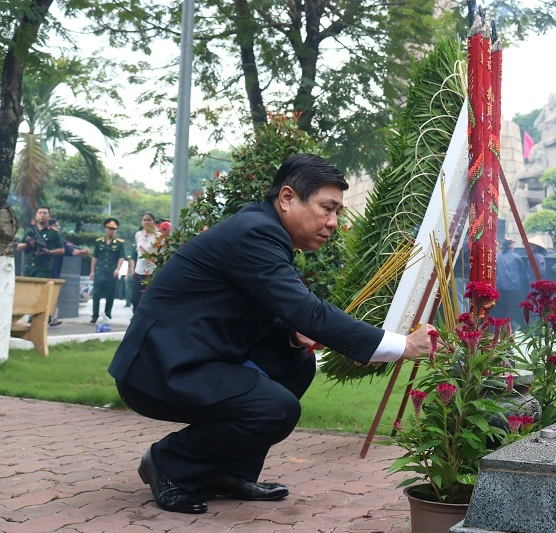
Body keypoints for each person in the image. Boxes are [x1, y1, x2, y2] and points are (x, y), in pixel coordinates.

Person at [108, 154, 437, 514]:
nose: (333, 223)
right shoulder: (256, 232)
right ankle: (167, 461)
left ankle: (225, 472)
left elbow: (251, 312)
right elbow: (308, 311)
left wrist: (293, 337)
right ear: (287, 198)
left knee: (296, 363)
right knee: (276, 409)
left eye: (337, 212)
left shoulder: (263, 230)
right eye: (327, 208)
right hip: (158, 370)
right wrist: (402, 345)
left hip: (195, 357)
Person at [16, 206, 65, 325]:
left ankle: (38, 316)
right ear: (36, 216)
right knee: (29, 292)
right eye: (40, 213)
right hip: (29, 266)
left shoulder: (53, 233)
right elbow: (19, 247)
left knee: (41, 293)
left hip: (44, 266)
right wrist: (28, 244)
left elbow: (61, 250)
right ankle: (31, 314)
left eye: (45, 213)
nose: (42, 215)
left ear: (49, 217)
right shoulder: (30, 231)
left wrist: (49, 251)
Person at [48, 219, 89, 326]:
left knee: (53, 295)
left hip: (54, 272)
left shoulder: (60, 241)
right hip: (40, 271)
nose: (58, 228)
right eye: (56, 226)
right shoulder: (41, 237)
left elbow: (71, 251)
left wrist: (81, 251)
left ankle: (52, 317)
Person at [90, 218, 126, 324]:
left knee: (110, 295)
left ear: (116, 230)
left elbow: (121, 257)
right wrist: (92, 271)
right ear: (105, 229)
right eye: (109, 228)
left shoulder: (119, 243)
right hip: (100, 272)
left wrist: (117, 269)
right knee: (96, 294)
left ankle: (107, 314)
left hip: (111, 273)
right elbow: (95, 257)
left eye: (113, 229)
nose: (111, 231)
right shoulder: (99, 242)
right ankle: (94, 315)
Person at [490, 239, 527, 326]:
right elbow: (522, 272)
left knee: (500, 309)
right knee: (511, 309)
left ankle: (500, 325)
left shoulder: (496, 256)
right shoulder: (516, 257)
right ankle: (509, 326)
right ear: (511, 246)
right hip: (514, 287)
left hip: (499, 286)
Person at [132, 212, 159, 312]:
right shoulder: (138, 234)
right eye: (144, 220)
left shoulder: (158, 236)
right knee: (135, 299)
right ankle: (136, 317)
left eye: (149, 220)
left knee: (148, 299)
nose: (146, 222)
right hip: (139, 270)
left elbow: (160, 254)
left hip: (151, 271)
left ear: (153, 221)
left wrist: (148, 254)